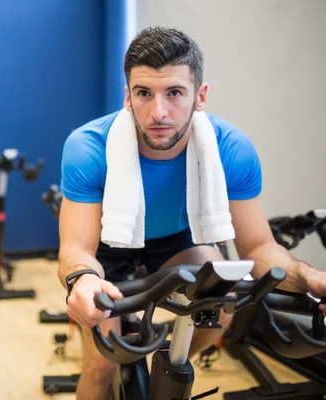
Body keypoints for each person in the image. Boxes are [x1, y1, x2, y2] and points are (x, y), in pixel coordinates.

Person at [58, 26, 326, 399]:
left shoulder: (231, 150)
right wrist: (81, 279)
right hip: (106, 245)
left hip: (174, 239)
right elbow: (75, 249)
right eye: (144, 94)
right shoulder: (88, 147)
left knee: (222, 301)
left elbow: (260, 248)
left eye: (174, 93)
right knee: (102, 363)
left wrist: (310, 278)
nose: (158, 112)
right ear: (127, 96)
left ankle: (164, 359)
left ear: (200, 96)